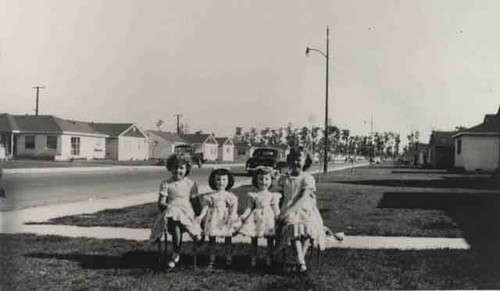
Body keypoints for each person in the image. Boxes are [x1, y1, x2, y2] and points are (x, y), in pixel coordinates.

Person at [275, 147, 327, 273]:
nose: (295, 163)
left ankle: (299, 260)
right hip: (288, 208)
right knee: (293, 228)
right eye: (292, 160)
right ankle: (301, 262)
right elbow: (277, 195)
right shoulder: (284, 179)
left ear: (305, 161)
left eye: (299, 160)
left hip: (304, 209)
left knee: (307, 229)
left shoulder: (307, 178)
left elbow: (303, 198)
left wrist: (289, 211)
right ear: (288, 161)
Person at [150, 153, 202, 269]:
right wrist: (170, 207)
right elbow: (161, 203)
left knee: (177, 222)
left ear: (187, 168)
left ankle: (175, 255)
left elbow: (196, 203)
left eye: (181, 168)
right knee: (174, 216)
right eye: (175, 167)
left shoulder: (191, 184)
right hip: (170, 216)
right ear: (170, 168)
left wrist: (200, 218)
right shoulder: (166, 184)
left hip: (187, 215)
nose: (178, 170)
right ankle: (194, 234)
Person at [238, 166, 282, 267]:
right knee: (254, 238)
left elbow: (275, 208)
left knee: (269, 239)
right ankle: (253, 258)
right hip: (256, 218)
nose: (263, 182)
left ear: (271, 180)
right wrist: (244, 215)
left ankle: (269, 258)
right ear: (256, 180)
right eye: (261, 179)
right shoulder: (253, 195)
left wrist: (278, 217)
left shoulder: (273, 195)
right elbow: (249, 207)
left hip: (268, 218)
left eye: (267, 179)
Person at [196, 168, 240, 268]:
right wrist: (201, 216)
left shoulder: (230, 196)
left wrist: (232, 216)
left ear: (228, 181)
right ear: (213, 181)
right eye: (218, 180)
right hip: (214, 218)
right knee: (212, 238)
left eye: (224, 179)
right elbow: (205, 208)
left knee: (228, 238)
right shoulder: (210, 196)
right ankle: (212, 258)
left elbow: (234, 208)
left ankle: (228, 258)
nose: (221, 182)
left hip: (225, 218)